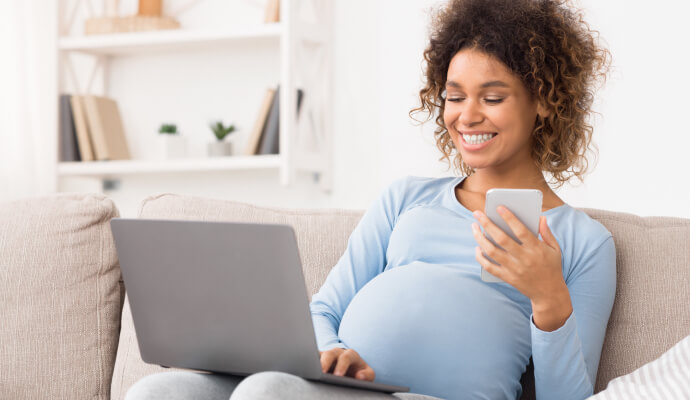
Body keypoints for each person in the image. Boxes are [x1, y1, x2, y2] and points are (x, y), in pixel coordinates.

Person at [126, 0, 614, 399]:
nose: (467, 115)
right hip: (346, 385)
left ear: (545, 99)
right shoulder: (405, 199)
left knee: (268, 392)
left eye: (492, 97)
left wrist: (549, 298)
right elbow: (323, 311)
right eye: (454, 95)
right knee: (159, 391)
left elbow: (568, 399)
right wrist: (330, 354)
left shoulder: (583, 241)